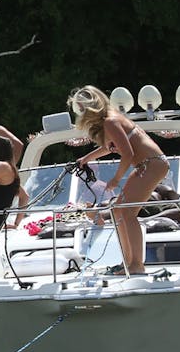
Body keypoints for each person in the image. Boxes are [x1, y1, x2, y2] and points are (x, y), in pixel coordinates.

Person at [71, 84, 168, 276]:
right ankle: (128, 262)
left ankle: (136, 265)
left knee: (127, 213)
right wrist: (86, 159)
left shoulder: (110, 121)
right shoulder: (111, 121)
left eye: (82, 108)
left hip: (151, 164)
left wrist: (116, 179)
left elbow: (127, 153)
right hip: (147, 164)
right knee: (117, 211)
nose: (81, 113)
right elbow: (110, 147)